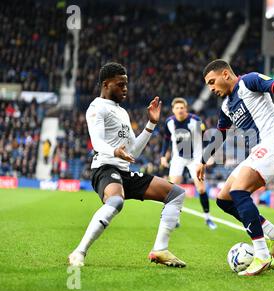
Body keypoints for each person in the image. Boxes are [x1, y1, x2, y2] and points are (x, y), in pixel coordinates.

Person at [197, 59, 274, 276]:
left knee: (239, 191)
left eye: (212, 82)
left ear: (225, 75)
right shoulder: (226, 106)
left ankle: (262, 255)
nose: (211, 88)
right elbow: (220, 134)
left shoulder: (249, 82)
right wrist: (203, 160)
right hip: (260, 149)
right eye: (208, 85)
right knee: (224, 199)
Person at [68, 62, 186, 268]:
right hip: (104, 168)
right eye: (120, 84)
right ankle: (79, 252)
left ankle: (159, 249)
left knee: (176, 193)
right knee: (116, 201)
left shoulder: (122, 112)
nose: (125, 89)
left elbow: (133, 153)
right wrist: (115, 152)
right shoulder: (96, 108)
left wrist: (151, 124)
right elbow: (97, 142)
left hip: (124, 171)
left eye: (126, 84)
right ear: (106, 84)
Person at [160, 97, 217, 230]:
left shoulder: (195, 121)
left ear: (186, 109)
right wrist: (163, 156)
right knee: (173, 189)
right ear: (173, 110)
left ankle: (208, 218)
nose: (180, 110)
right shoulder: (169, 122)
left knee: (201, 189)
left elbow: (206, 138)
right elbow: (166, 140)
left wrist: (208, 155)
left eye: (182, 108)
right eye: (177, 108)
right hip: (178, 158)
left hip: (195, 158)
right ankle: (175, 218)